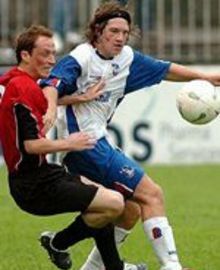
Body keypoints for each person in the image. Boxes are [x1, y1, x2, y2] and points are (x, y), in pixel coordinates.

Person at [40, 2, 220, 270]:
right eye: (114, 31)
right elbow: (51, 84)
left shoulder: (127, 59)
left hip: (98, 142)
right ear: (98, 32)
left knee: (130, 210)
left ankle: (80, 259)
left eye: (125, 32)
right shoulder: (81, 58)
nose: (121, 37)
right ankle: (172, 266)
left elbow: (166, 69)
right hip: (84, 145)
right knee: (152, 194)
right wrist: (52, 107)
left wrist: (205, 77)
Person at [0, 25, 147, 270]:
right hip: (33, 186)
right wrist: (70, 142)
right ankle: (58, 243)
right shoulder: (21, 88)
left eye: (53, 53)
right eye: (45, 53)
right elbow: (31, 145)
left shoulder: (18, 82)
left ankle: (110, 266)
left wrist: (80, 98)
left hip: (43, 174)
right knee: (113, 204)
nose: (52, 60)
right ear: (25, 55)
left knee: (108, 200)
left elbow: (34, 98)